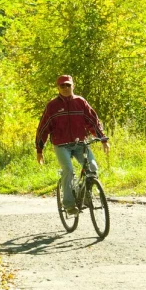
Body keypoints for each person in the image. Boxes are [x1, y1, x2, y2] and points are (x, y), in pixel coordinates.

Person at [36, 75, 110, 214]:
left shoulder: (80, 102)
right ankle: (69, 205)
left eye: (68, 85)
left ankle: (86, 195)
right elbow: (43, 128)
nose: (65, 88)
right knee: (68, 170)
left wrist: (103, 140)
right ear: (58, 88)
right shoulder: (52, 106)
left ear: (73, 86)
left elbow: (93, 122)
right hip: (61, 145)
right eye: (62, 86)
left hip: (80, 143)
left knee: (92, 168)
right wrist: (39, 150)